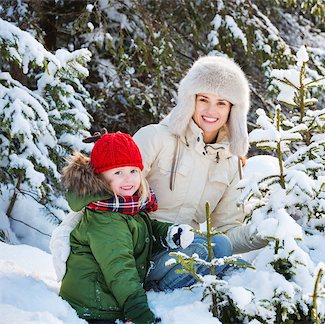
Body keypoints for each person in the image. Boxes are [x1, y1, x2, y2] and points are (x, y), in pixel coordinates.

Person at [133, 55, 266, 291]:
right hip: (136, 252)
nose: (210, 110)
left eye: (221, 103)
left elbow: (227, 231)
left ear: (233, 111)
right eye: (203, 99)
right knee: (213, 250)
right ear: (190, 99)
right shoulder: (154, 137)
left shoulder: (231, 163)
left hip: (181, 256)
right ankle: (160, 295)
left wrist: (270, 231)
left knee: (232, 261)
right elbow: (106, 196)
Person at [57, 132, 194, 324]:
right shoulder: (106, 217)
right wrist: (137, 311)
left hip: (110, 294)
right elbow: (119, 267)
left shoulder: (125, 204)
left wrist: (168, 233)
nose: (128, 179)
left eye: (133, 171)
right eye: (118, 172)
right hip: (95, 306)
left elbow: (140, 227)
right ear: (100, 178)